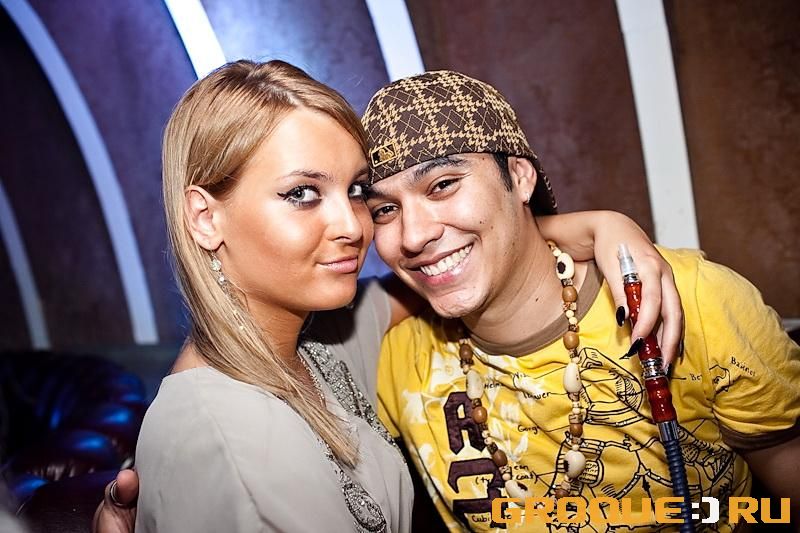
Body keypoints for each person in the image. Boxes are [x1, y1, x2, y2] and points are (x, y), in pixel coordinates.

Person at [93, 61, 683, 533]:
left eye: (355, 192)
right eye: (302, 193)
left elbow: (448, 271)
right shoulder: (218, 434)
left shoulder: (322, 346)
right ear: (204, 218)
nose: (352, 226)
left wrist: (599, 227)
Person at [363, 71, 800, 531]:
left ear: (519, 176)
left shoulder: (690, 298)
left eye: (442, 185)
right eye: (385, 210)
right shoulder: (393, 359)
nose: (413, 236)